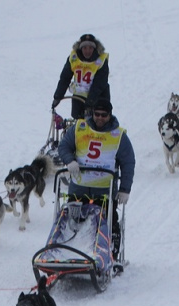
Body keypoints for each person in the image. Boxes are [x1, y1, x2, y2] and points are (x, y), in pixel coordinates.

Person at [57, 99, 135, 261]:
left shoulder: (118, 135)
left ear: (110, 115)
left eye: (103, 115)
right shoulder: (79, 128)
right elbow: (64, 146)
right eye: (97, 114)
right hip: (79, 188)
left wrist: (125, 189)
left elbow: (128, 163)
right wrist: (69, 160)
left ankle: (111, 255)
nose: (100, 118)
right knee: (72, 224)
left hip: (105, 191)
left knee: (108, 223)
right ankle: (67, 253)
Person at [52, 34, 110, 120]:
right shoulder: (74, 59)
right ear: (80, 48)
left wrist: (90, 103)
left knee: (97, 122)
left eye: (90, 48)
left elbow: (99, 84)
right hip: (78, 96)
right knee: (78, 123)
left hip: (98, 97)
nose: (87, 51)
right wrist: (58, 96)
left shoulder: (101, 61)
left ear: (94, 49)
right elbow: (65, 78)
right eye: (85, 48)